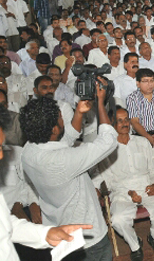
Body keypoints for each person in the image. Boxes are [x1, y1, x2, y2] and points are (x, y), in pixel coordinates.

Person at [20, 80, 119, 260]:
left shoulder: (29, 150)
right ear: (54, 128)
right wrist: (100, 105)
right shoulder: (63, 160)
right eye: (60, 117)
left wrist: (79, 113)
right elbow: (109, 141)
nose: (62, 119)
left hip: (58, 229)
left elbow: (63, 139)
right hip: (89, 237)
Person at [93, 107, 154, 260]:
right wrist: (129, 193)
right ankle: (135, 245)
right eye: (119, 121)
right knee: (118, 220)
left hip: (146, 187)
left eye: (126, 119)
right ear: (112, 124)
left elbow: (153, 169)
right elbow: (108, 180)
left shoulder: (142, 142)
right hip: (122, 191)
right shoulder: (107, 149)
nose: (125, 123)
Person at [127, 68, 154, 146]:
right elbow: (134, 122)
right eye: (145, 81)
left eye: (152, 81)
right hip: (142, 137)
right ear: (138, 83)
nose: (150, 84)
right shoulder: (132, 98)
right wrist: (149, 138)